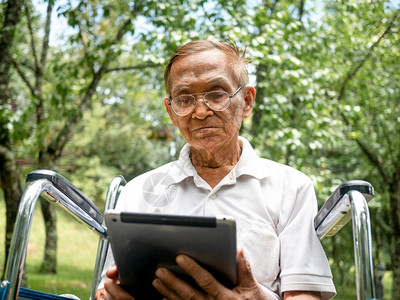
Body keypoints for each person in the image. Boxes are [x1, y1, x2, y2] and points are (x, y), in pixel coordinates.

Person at [95, 40, 336, 300]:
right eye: (185, 99)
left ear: (247, 101)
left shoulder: (291, 188)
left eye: (217, 94)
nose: (200, 111)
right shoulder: (138, 192)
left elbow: (305, 295)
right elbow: (107, 287)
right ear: (172, 112)